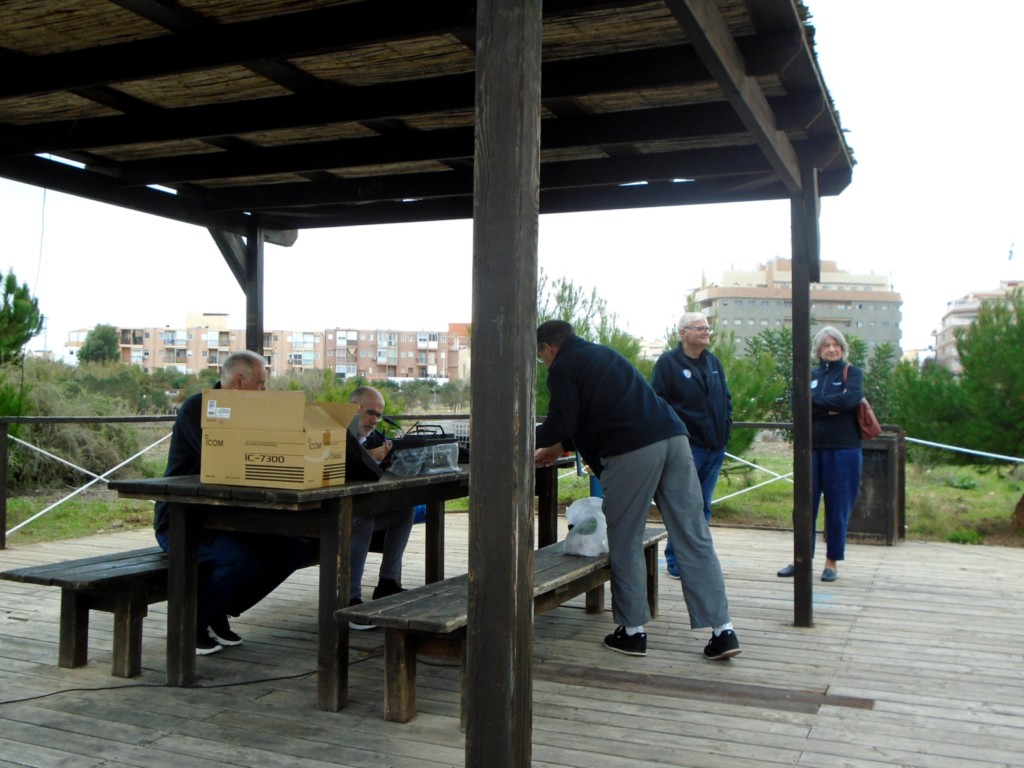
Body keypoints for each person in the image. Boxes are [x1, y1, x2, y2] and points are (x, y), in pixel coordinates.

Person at [534, 320, 740, 660]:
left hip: (632, 450)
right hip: (674, 439)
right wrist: (562, 446)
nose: (544, 363)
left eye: (541, 357)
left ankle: (632, 632)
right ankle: (723, 630)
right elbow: (598, 413)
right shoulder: (603, 355)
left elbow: (562, 421)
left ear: (548, 348)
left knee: (625, 538)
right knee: (693, 534)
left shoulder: (563, 366)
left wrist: (519, 434)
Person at [154, 350, 314, 655]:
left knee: (293, 549)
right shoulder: (198, 408)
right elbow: (223, 460)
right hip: (184, 520)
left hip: (234, 519)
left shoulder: (254, 411)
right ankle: (191, 623)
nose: (266, 392)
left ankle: (220, 610)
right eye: (262, 384)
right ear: (239, 381)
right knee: (240, 560)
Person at [777, 326, 864, 583]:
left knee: (837, 508)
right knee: (804, 507)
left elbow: (852, 401)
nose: (832, 349)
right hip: (811, 449)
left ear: (842, 347)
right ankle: (801, 559)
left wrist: (817, 402)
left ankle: (832, 562)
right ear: (818, 349)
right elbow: (798, 407)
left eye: (836, 345)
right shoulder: (809, 375)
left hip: (845, 450)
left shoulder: (852, 373)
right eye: (826, 345)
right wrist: (831, 406)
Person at [650, 312, 732, 580]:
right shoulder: (668, 363)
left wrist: (725, 428)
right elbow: (656, 403)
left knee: (703, 505)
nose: (706, 332)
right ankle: (676, 560)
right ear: (683, 333)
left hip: (714, 447)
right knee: (683, 505)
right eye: (699, 328)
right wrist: (677, 436)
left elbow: (726, 399)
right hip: (687, 448)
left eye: (707, 328)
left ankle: (697, 557)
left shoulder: (714, 362)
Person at [346, 385, 414, 630]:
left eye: (379, 415)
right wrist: (368, 457)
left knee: (404, 510)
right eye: (370, 413)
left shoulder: (377, 438)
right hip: (331, 513)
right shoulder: (334, 434)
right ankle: (349, 597)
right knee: (362, 520)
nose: (375, 420)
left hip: (361, 508)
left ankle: (387, 583)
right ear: (353, 409)